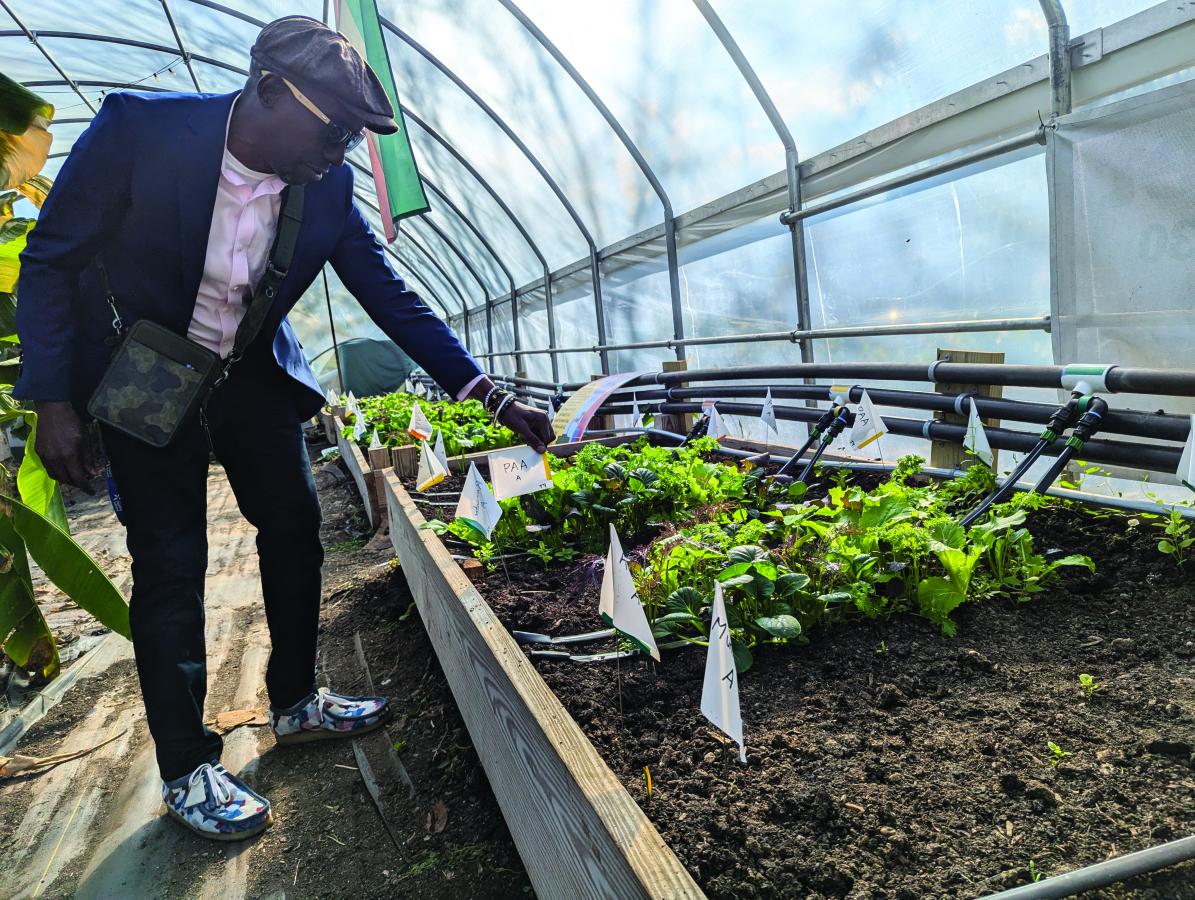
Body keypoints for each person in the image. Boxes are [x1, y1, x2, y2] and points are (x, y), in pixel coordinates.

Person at [14, 15, 554, 841]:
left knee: (297, 530)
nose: (340, 152)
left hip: (250, 378)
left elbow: (392, 295)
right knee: (170, 563)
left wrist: (488, 393)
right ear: (268, 92)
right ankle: (188, 767)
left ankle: (297, 702)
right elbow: (49, 261)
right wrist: (53, 401)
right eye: (332, 129)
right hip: (145, 378)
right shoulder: (139, 132)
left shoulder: (325, 186)